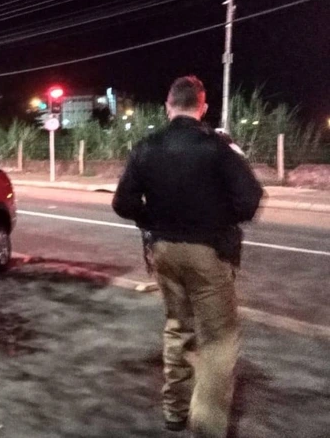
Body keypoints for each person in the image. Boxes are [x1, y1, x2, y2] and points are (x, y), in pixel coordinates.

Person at [112, 76, 263, 437]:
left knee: (177, 327)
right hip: (208, 252)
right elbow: (249, 201)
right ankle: (208, 425)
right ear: (203, 106)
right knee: (218, 339)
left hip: (162, 251)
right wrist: (217, 218)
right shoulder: (218, 148)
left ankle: (174, 411)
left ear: (168, 106)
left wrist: (153, 220)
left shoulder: (147, 147)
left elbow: (122, 203)